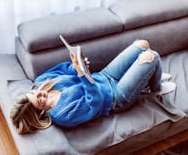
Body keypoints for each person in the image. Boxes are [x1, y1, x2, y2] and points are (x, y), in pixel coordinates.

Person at [10, 40, 176, 134]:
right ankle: (156, 87)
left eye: (33, 92)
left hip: (104, 76)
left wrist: (76, 67)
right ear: (40, 112)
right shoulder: (63, 115)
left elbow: (63, 69)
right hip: (115, 97)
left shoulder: (40, 82)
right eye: (38, 101)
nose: (39, 93)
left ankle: (151, 76)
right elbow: (94, 103)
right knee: (151, 56)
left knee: (142, 45)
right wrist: (82, 75)